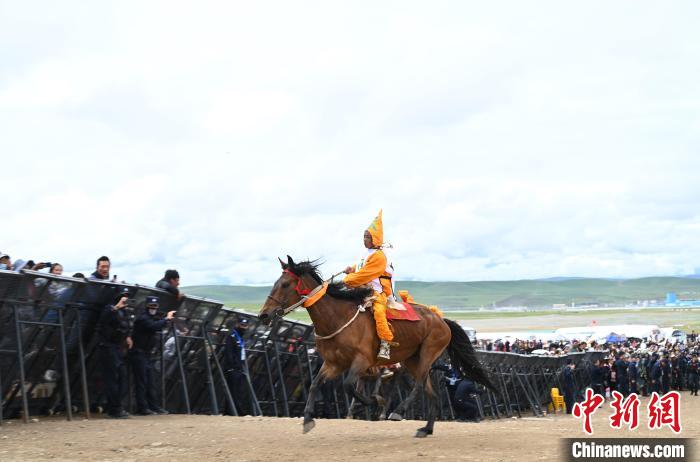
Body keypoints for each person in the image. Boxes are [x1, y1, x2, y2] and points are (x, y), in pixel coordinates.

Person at [343, 210, 395, 359]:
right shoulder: (367, 253)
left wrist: (349, 279)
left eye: (367, 237)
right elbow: (362, 267)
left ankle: (385, 344)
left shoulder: (379, 256)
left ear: (376, 238)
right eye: (364, 236)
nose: (364, 239)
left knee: (379, 312)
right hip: (360, 288)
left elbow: (366, 274)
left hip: (374, 292)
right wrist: (351, 269)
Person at [129, 296, 175, 415]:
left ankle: (153, 406)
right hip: (138, 352)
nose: (153, 308)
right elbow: (153, 326)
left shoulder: (152, 317)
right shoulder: (143, 318)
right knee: (142, 381)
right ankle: (142, 408)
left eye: (155, 306)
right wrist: (167, 319)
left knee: (150, 381)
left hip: (147, 354)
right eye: (151, 306)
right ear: (146, 306)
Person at [97, 287, 133, 418]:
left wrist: (128, 336)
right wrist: (116, 307)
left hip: (118, 347)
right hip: (107, 347)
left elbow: (125, 326)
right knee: (112, 379)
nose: (125, 298)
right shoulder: (110, 308)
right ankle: (115, 409)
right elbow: (103, 321)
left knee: (121, 378)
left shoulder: (124, 312)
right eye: (123, 295)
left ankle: (116, 407)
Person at [223, 317, 252, 415]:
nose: (243, 327)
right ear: (237, 325)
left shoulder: (240, 337)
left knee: (238, 390)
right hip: (233, 368)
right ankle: (235, 411)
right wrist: (232, 366)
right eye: (242, 325)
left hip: (239, 368)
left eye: (245, 326)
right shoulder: (232, 336)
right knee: (233, 390)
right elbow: (229, 352)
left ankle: (232, 410)